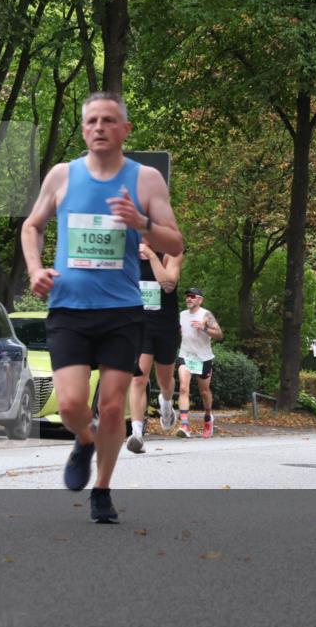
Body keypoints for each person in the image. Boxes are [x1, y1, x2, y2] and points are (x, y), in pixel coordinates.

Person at [21, 92, 183, 523]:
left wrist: (141, 222)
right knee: (72, 405)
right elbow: (32, 226)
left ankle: (103, 490)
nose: (99, 127)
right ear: (83, 129)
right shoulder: (62, 175)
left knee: (112, 407)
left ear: (124, 129)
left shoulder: (146, 180)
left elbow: (175, 243)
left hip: (122, 312)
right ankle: (85, 438)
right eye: (92, 120)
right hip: (69, 309)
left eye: (109, 120)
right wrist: (35, 269)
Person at [126, 241, 184, 454]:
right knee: (138, 378)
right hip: (139, 325)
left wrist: (151, 255)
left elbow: (169, 284)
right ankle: (137, 434)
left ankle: (166, 402)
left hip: (165, 326)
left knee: (165, 380)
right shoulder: (128, 254)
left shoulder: (171, 253)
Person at [176, 288, 222, 438]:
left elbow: (219, 335)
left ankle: (208, 417)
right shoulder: (182, 315)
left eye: (192, 296)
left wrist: (204, 328)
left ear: (200, 300)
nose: (188, 299)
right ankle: (184, 426)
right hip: (186, 356)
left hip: (203, 358)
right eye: (187, 296)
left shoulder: (206, 315)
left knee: (204, 392)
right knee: (183, 388)